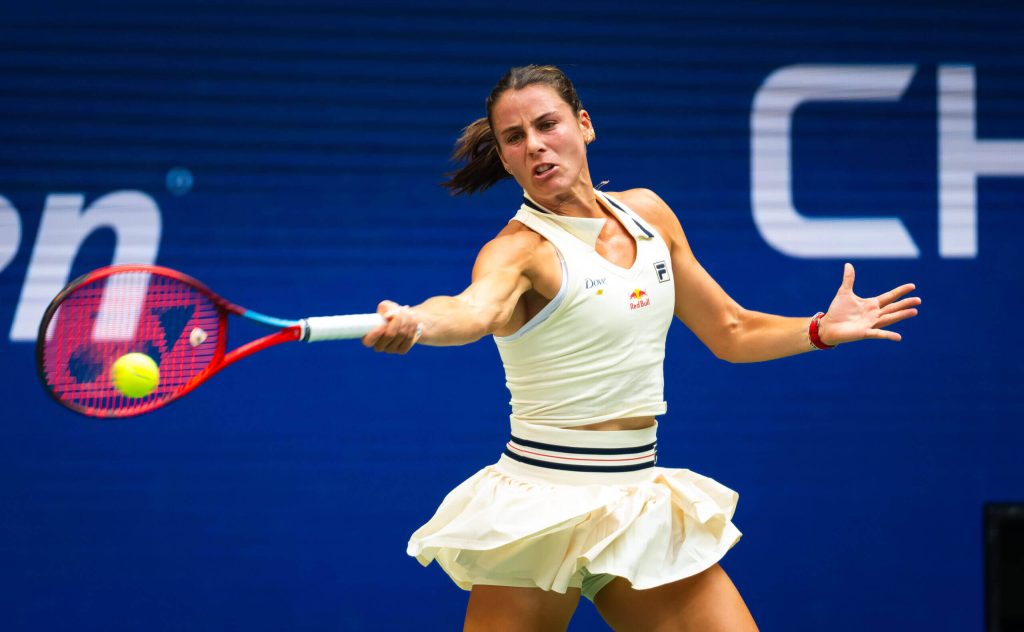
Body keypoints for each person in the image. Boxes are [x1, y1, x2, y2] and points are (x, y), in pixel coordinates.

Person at [361, 65, 920, 632]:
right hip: (536, 505)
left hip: (633, 498)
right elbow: (472, 310)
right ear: (504, 158)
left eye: (547, 124)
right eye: (514, 137)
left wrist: (820, 329)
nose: (535, 145)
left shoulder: (649, 214)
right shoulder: (517, 251)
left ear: (584, 125)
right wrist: (416, 322)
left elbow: (730, 330)